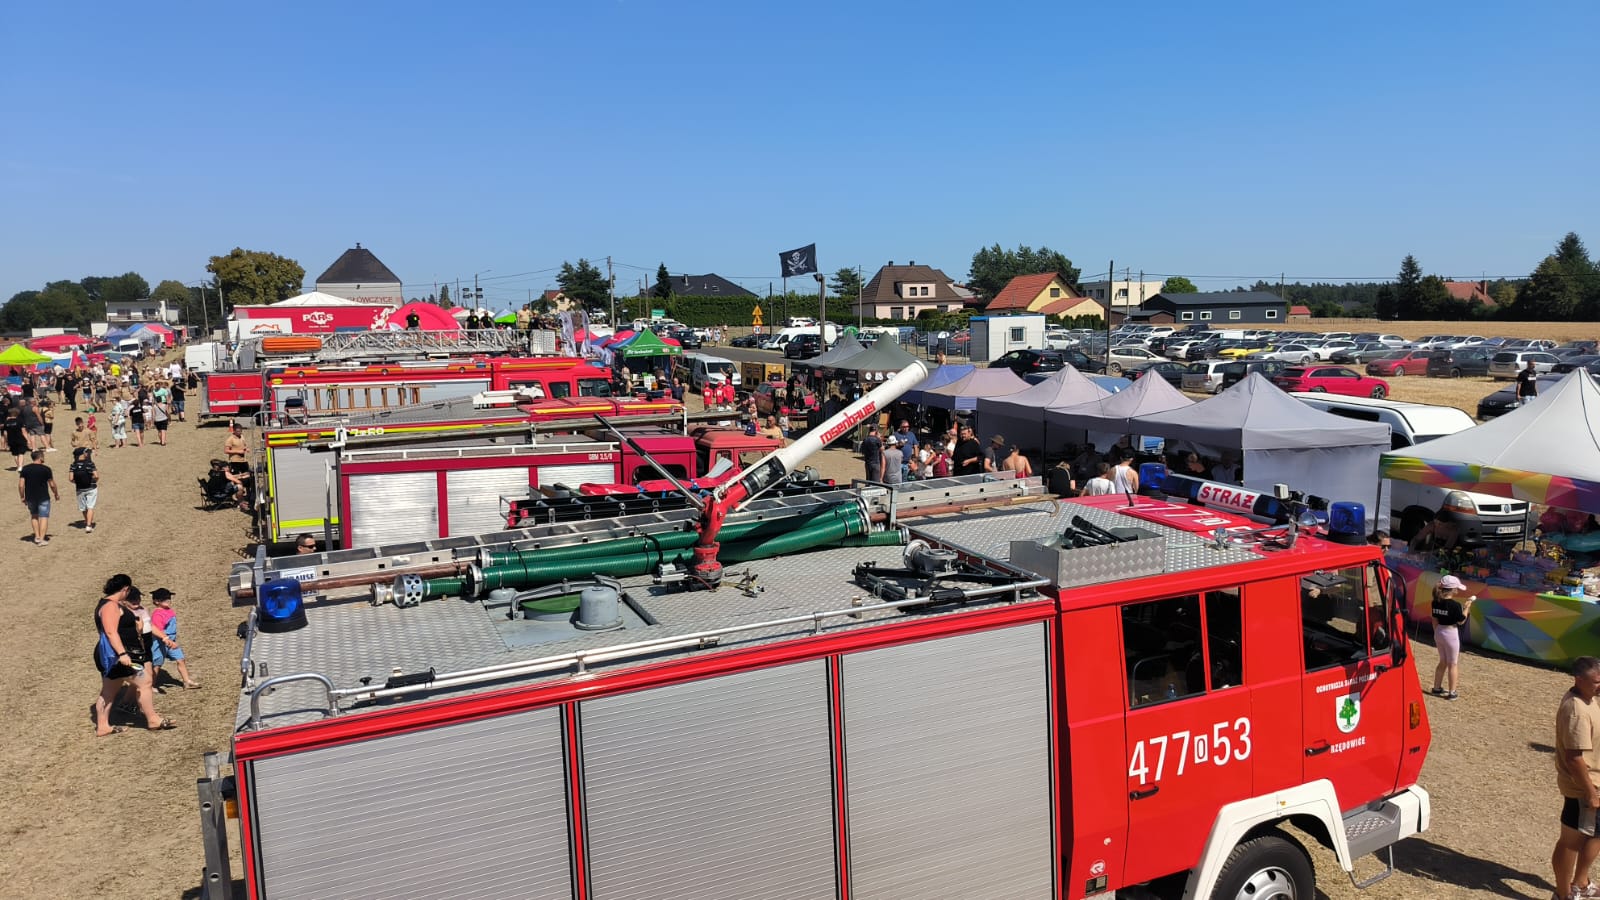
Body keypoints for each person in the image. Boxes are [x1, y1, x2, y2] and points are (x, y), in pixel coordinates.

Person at [92, 576, 175, 735]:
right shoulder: (110, 606)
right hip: (118, 656)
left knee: (109, 691)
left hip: (113, 655)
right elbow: (110, 632)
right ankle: (152, 719)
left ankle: (102, 726)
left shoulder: (106, 604)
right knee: (145, 682)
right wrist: (122, 653)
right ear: (125, 589)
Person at [1554, 656, 1600, 900]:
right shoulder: (1576, 710)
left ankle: (1581, 883)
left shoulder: (1589, 698)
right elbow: (1574, 758)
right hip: (1584, 787)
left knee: (1596, 834)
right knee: (1571, 841)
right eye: (1596, 682)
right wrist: (1591, 793)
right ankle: (1563, 895)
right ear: (1578, 679)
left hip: (1594, 783)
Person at [1429, 574, 1474, 700]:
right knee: (1452, 663)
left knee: (1443, 661)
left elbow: (1434, 619)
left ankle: (1436, 687)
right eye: (1457, 588)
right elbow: (1461, 621)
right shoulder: (1455, 605)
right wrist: (1467, 607)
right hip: (1450, 633)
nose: (1458, 590)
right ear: (1452, 589)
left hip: (1439, 632)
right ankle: (1452, 692)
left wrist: (1436, 632)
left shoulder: (1435, 602)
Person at [147, 588, 199, 690]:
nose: (168, 600)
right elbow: (158, 630)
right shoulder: (157, 614)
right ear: (156, 601)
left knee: (180, 659)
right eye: (164, 599)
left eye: (169, 598)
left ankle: (187, 681)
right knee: (157, 665)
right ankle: (151, 685)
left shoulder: (169, 611)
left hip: (171, 642)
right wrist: (167, 640)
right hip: (160, 643)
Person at [18, 449, 58, 546]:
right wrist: (56, 493)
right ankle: (42, 539)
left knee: (34, 516)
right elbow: (52, 484)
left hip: (30, 497)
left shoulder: (25, 469)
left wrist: (22, 496)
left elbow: (21, 485)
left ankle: (37, 536)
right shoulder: (46, 469)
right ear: (40, 457)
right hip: (43, 497)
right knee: (44, 517)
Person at [69, 446, 98, 534]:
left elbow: (71, 479)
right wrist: (94, 481)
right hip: (91, 487)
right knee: (90, 506)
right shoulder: (90, 463)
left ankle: (87, 521)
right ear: (82, 454)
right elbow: (96, 476)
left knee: (83, 507)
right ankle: (89, 525)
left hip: (80, 489)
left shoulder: (73, 465)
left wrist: (77, 483)